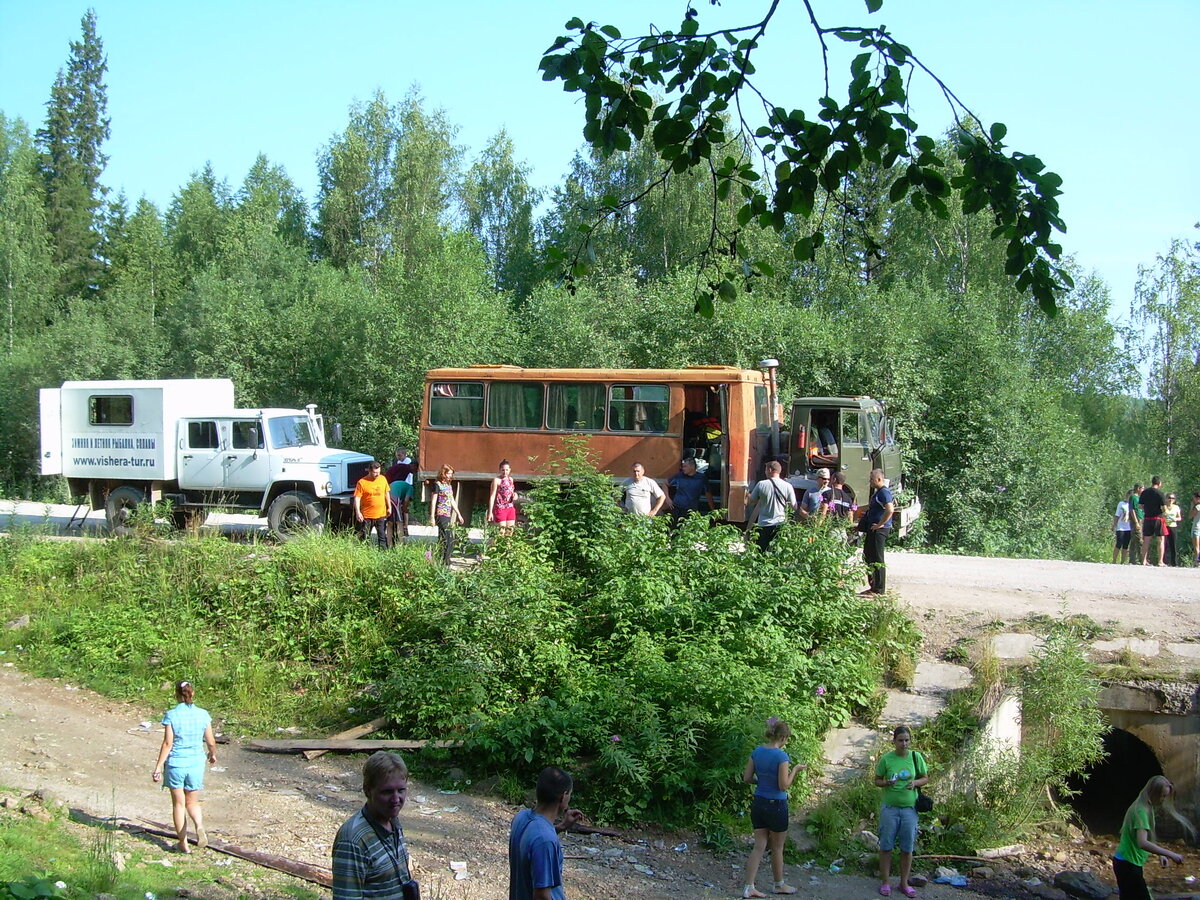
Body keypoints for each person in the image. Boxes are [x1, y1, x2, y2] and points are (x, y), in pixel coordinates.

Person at [332, 751, 415, 900]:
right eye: (387, 792)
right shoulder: (353, 841)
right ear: (368, 790)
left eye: (401, 790)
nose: (396, 799)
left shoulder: (393, 822)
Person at [741, 718, 805, 898]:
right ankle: (779, 884)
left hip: (759, 802)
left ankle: (748, 886)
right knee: (777, 847)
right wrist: (795, 771)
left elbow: (747, 778)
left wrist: (760, 782)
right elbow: (783, 785)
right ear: (783, 737)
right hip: (776, 804)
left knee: (758, 846)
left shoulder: (757, 751)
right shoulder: (781, 756)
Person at [152, 680, 217, 853]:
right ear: (192, 693)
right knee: (192, 802)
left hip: (176, 764)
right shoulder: (203, 714)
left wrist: (158, 766)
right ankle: (199, 826)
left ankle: (183, 844)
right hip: (196, 763)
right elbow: (210, 741)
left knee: (179, 805)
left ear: (176, 694)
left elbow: (167, 743)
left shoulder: (172, 715)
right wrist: (212, 754)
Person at [508, 766, 586, 900]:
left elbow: (532, 842)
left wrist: (561, 827)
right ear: (563, 796)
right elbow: (541, 896)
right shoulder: (545, 840)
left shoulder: (521, 818)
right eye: (570, 794)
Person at [1112, 775, 1194, 900]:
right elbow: (1142, 842)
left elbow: (1145, 839)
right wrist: (1171, 854)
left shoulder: (1142, 805)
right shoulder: (1141, 811)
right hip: (1128, 865)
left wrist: (1160, 854)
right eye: (1162, 796)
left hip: (1124, 862)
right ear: (1153, 793)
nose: (1163, 799)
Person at [873, 725, 929, 898]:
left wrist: (916, 783)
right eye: (900, 740)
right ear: (894, 741)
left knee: (907, 847)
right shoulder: (887, 759)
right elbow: (876, 780)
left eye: (907, 740)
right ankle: (885, 882)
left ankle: (904, 883)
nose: (904, 744)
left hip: (909, 809)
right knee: (886, 846)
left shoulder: (915, 757)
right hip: (890, 808)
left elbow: (925, 777)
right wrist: (887, 783)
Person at [745, 460, 797, 552]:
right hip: (780, 524)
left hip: (763, 525)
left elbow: (751, 502)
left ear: (769, 470)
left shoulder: (761, 484)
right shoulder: (788, 486)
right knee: (776, 554)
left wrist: (747, 495)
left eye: (765, 469)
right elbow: (794, 506)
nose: (765, 472)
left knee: (762, 552)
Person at [861, 468, 895, 596]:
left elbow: (890, 510)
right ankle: (873, 586)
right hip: (872, 528)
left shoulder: (884, 493)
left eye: (871, 479)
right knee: (868, 556)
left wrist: (880, 524)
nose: (870, 481)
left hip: (879, 530)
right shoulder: (877, 493)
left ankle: (879, 589)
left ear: (879, 479)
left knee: (877, 558)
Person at [430, 465, 465, 564]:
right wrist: (432, 517)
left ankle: (443, 559)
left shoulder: (448, 485)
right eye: (448, 473)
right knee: (447, 537)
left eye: (451, 474)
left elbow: (452, 500)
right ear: (443, 473)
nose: (450, 476)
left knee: (447, 538)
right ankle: (444, 560)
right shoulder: (437, 484)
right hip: (440, 514)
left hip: (447, 514)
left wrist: (459, 514)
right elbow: (433, 501)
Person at [354, 460, 390, 549]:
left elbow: (386, 493)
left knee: (382, 537)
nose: (377, 474)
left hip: (381, 514)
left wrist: (389, 507)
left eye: (379, 472)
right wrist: (358, 512)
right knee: (365, 538)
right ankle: (364, 554)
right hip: (366, 516)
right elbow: (357, 498)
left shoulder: (383, 479)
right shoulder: (362, 482)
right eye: (375, 472)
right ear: (369, 471)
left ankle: (383, 554)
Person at [666, 457, 715, 523]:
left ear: (692, 467)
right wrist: (667, 498)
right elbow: (665, 484)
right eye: (683, 466)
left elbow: (708, 494)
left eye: (685, 466)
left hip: (691, 509)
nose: (683, 468)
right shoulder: (679, 476)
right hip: (676, 507)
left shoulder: (701, 478)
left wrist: (713, 510)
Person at [385, 447, 417, 545]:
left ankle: (390, 543)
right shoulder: (404, 468)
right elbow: (406, 501)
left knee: (391, 520)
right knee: (398, 521)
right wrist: (404, 508)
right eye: (416, 469)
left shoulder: (404, 467)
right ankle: (400, 542)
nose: (415, 472)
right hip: (393, 494)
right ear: (413, 466)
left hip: (390, 490)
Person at [487, 459, 518, 537]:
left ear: (510, 470)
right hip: (500, 508)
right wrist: (490, 512)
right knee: (501, 533)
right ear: (500, 470)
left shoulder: (511, 480)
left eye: (507, 470)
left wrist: (515, 495)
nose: (505, 472)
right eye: (503, 470)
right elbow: (492, 496)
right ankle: (494, 548)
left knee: (509, 532)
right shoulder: (497, 480)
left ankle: (507, 549)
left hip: (510, 508)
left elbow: (511, 492)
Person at [1140, 477, 1167, 566]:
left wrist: (1146, 510)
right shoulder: (1160, 493)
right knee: (1160, 539)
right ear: (1159, 483)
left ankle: (1143, 561)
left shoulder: (1145, 492)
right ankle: (1160, 561)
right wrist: (1162, 511)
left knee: (1146, 540)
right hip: (1158, 518)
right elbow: (1164, 508)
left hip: (1148, 518)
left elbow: (1140, 505)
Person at [1113, 492, 1134, 564]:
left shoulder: (1132, 505)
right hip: (1121, 527)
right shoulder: (1121, 504)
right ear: (1127, 495)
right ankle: (1114, 560)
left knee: (1126, 545)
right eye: (1129, 496)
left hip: (1129, 527)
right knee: (1119, 543)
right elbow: (1117, 515)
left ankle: (1122, 562)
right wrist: (1114, 525)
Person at [1163, 493, 1181, 567]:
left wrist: (1175, 519)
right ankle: (1164, 561)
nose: (1171, 500)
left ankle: (1174, 562)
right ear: (1166, 498)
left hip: (1173, 526)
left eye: (1173, 498)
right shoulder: (1164, 507)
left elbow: (1179, 517)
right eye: (1169, 498)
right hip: (1165, 526)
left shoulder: (1176, 507)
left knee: (1173, 544)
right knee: (1164, 544)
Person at [1127, 485, 1144, 565]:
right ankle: (1142, 559)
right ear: (1138, 488)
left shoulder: (1139, 498)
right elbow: (1132, 510)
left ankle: (1132, 559)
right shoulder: (1133, 497)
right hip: (1136, 520)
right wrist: (1136, 522)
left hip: (1141, 519)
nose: (1143, 490)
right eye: (1142, 488)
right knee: (1139, 540)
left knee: (1134, 540)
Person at [1191, 491, 1200, 567]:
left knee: (1196, 547)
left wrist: (1192, 506)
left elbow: (1190, 515)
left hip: (1196, 528)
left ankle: (1197, 561)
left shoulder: (1197, 507)